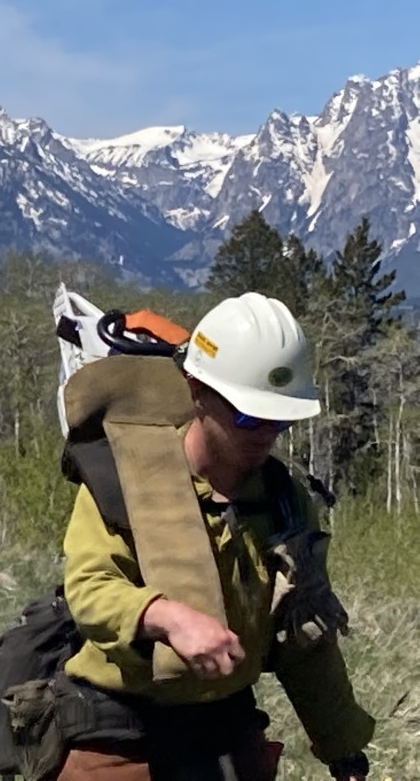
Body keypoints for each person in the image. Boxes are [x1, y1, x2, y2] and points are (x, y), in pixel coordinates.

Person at [56, 293, 373, 781]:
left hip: (227, 724)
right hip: (119, 730)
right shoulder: (122, 480)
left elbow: (304, 641)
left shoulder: (284, 500)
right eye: (248, 415)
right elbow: (90, 589)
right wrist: (166, 617)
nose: (265, 432)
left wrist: (344, 751)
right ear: (196, 389)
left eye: (281, 419)